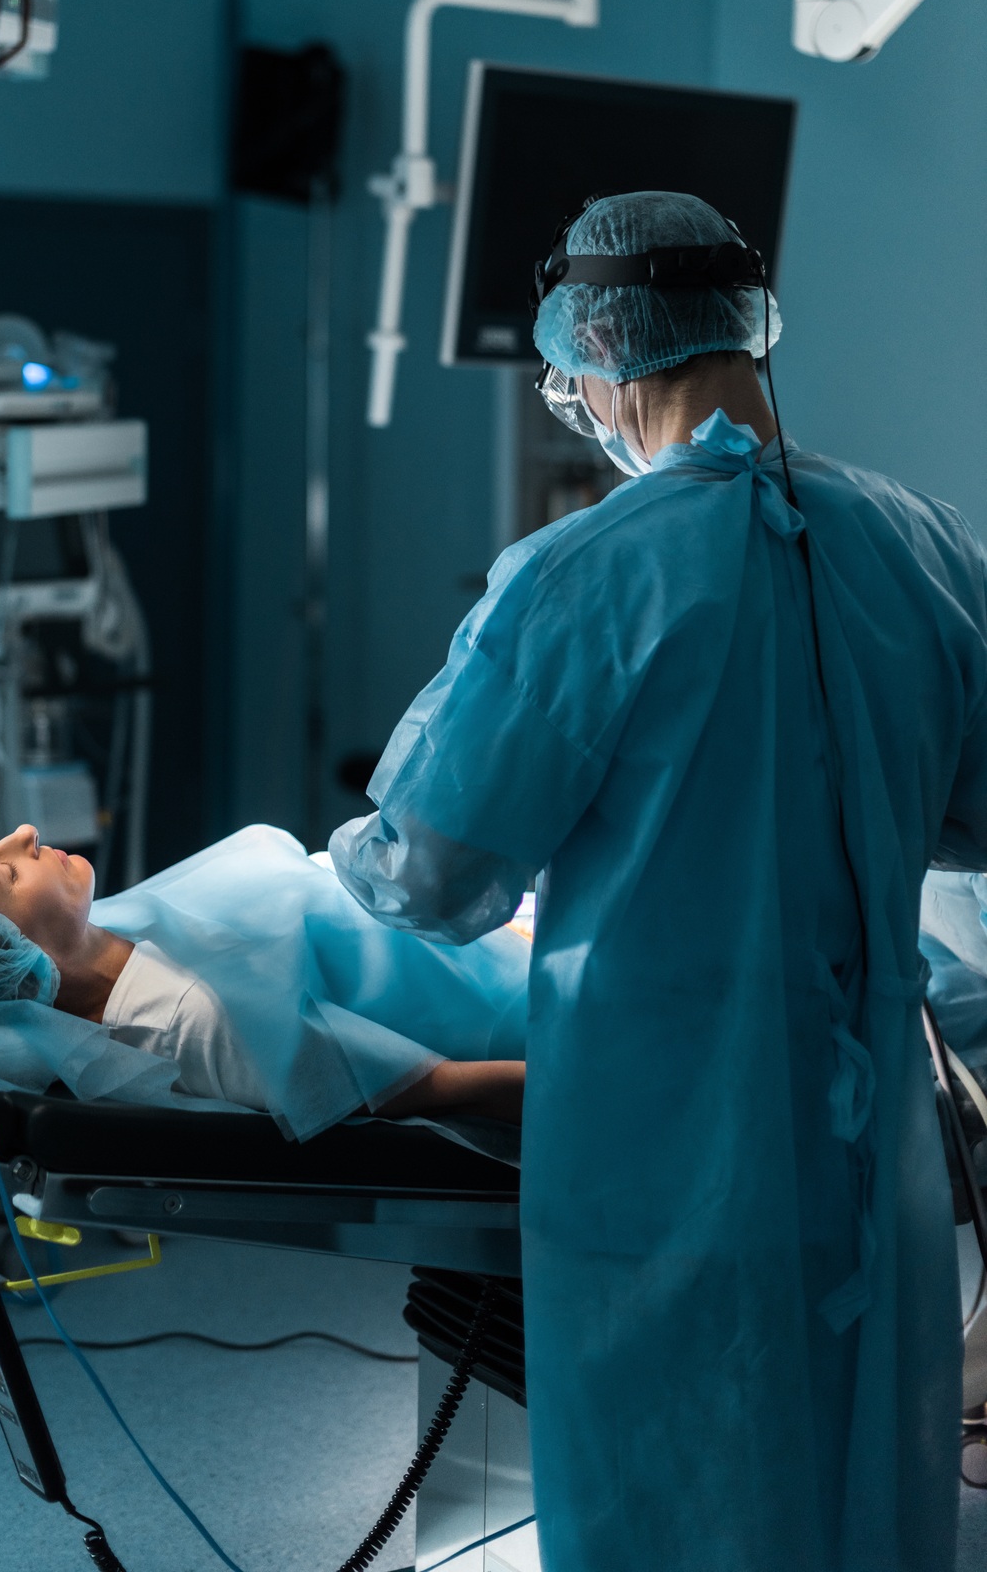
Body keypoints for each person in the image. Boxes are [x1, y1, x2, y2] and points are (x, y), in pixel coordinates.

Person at [329, 190, 987, 1572]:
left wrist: (341, 854)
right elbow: (970, 821)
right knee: (862, 1481)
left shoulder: (580, 575)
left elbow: (437, 881)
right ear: (754, 322)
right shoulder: (925, 549)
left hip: (665, 1134)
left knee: (677, 1487)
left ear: (599, 349)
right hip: (874, 1129)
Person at [0, 823, 529, 1127]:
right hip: (519, 999)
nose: (23, 836)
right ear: (8, 961)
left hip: (478, 928)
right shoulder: (192, 1018)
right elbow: (422, 1090)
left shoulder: (112, 938)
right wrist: (592, 1099)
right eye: (6, 870)